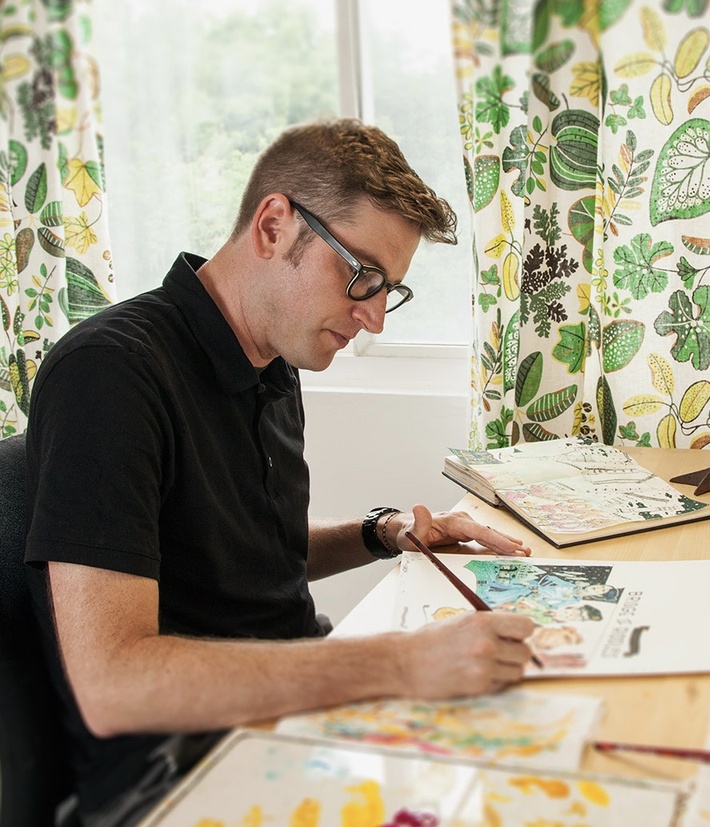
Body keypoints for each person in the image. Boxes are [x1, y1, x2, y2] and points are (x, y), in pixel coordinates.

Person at [23, 118, 536, 826]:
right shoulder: (109, 373)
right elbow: (113, 683)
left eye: (391, 289)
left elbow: (250, 552)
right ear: (273, 225)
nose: (376, 317)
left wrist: (382, 532)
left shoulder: (272, 360)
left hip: (296, 719)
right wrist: (399, 663)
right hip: (182, 778)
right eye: (362, 276)